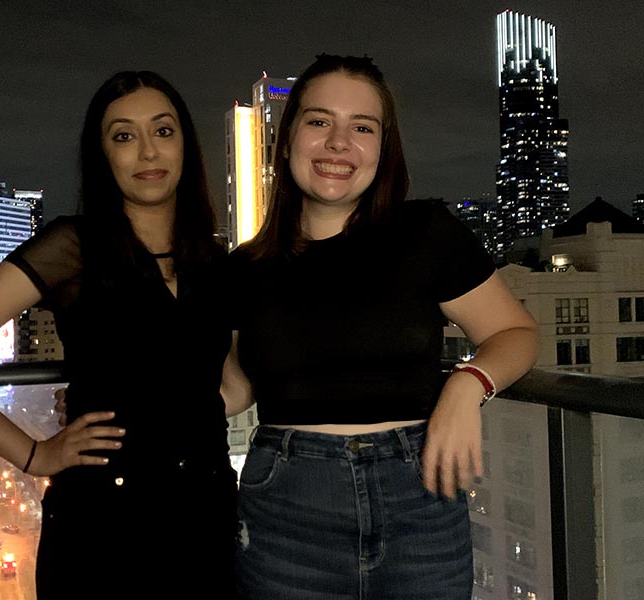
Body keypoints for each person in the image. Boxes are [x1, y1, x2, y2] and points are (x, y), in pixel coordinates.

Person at [0, 70, 239, 599]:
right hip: (103, 522)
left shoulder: (213, 262)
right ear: (103, 156)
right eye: (123, 135)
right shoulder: (75, 246)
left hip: (206, 515)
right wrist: (34, 455)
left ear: (186, 146)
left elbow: (232, 388)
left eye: (163, 131)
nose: (147, 150)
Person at [221, 54, 540, 600]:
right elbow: (232, 389)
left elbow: (516, 334)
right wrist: (119, 395)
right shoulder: (244, 269)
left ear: (382, 147)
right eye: (320, 121)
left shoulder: (425, 233)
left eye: (361, 127)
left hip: (421, 494)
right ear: (287, 136)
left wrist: (467, 385)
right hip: (287, 504)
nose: (339, 143)